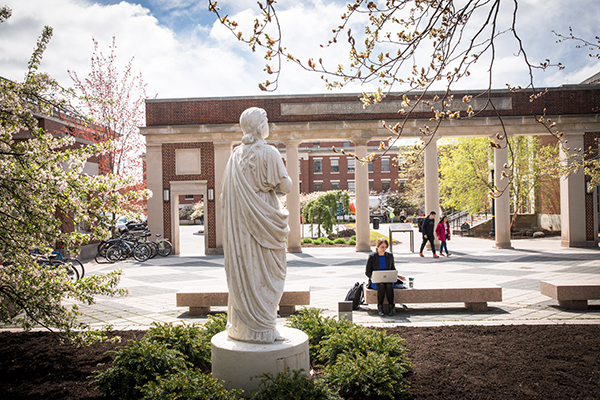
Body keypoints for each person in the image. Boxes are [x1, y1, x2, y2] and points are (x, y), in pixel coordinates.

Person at [221, 107, 293, 343]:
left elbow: (226, 197)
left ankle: (245, 327)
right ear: (260, 126)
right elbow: (286, 187)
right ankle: (264, 327)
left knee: (247, 268)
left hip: (242, 221)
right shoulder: (270, 153)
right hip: (265, 215)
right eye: (266, 121)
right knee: (270, 272)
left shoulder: (234, 156)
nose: (268, 124)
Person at [365, 238, 406, 316]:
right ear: (377, 246)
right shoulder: (372, 257)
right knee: (381, 286)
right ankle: (380, 308)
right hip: (376, 281)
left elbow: (392, 269)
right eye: (382, 247)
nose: (384, 249)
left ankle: (391, 307)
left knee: (389, 285)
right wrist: (373, 277)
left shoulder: (389, 256)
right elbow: (367, 272)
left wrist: (398, 276)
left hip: (388, 280)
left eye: (385, 247)